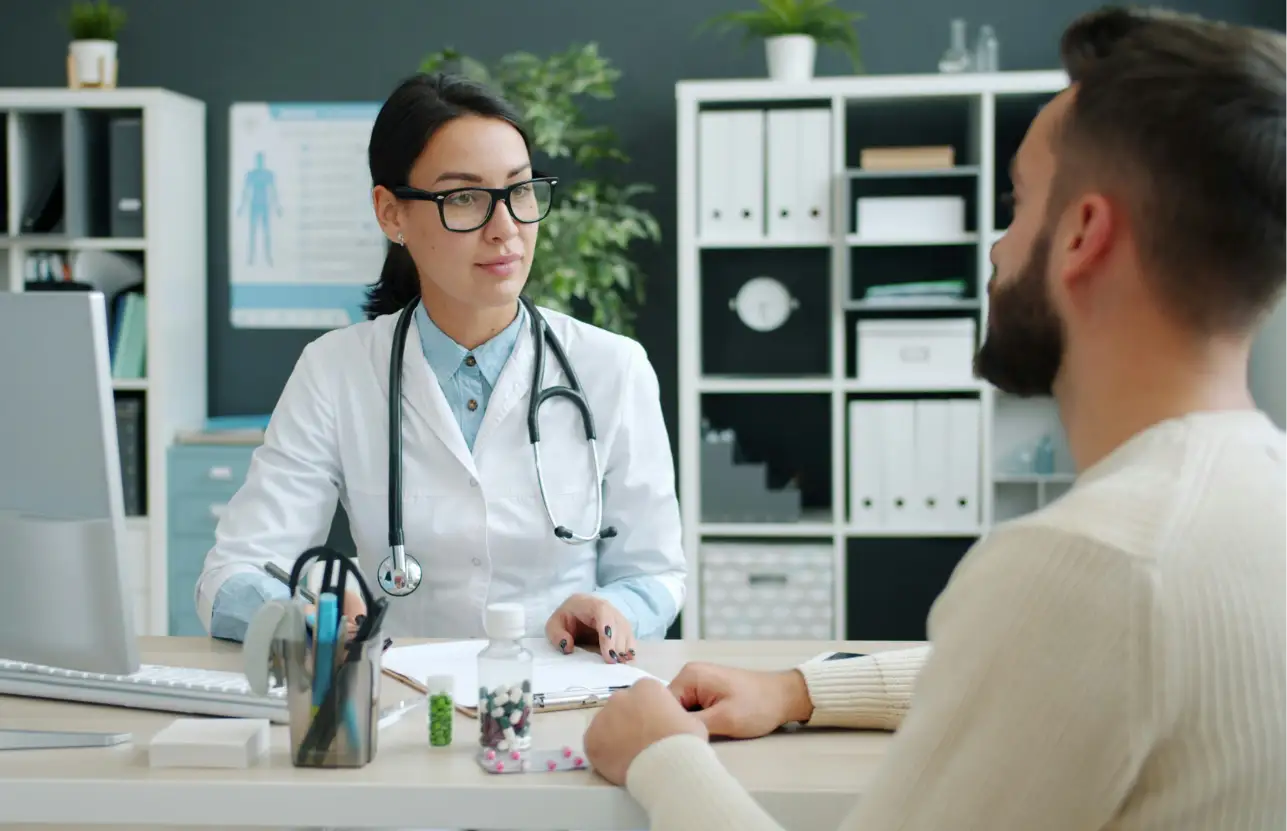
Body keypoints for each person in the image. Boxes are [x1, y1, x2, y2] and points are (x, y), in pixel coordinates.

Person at [584, 5, 1287, 827]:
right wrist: (798, 688)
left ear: (1082, 234)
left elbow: (1071, 626)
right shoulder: (1244, 500)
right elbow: (1044, 664)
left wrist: (659, 758)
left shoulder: (1092, 564)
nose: (994, 246)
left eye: (1017, 203)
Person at [195, 73, 686, 662]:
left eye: (521, 191)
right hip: (397, 700)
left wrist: (619, 612)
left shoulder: (613, 368)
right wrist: (296, 616)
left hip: (566, 696)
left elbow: (655, 574)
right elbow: (233, 572)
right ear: (390, 213)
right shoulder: (337, 370)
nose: (506, 227)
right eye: (465, 198)